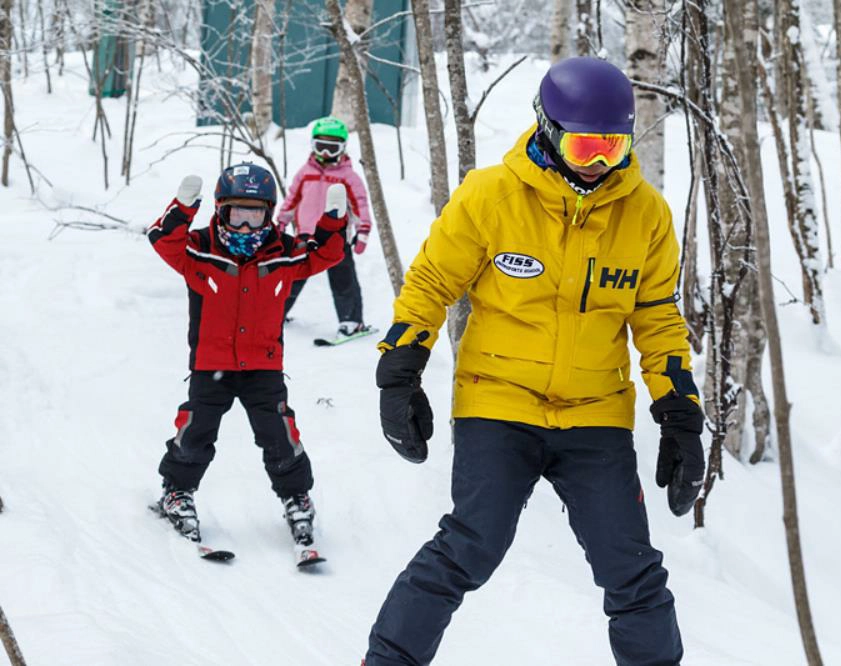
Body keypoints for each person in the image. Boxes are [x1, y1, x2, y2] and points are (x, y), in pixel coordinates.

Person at [364, 57, 705, 666]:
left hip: (595, 414)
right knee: (469, 546)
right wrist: (400, 370)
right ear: (547, 129)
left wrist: (680, 416)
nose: (599, 164)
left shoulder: (645, 213)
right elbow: (430, 284)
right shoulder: (491, 196)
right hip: (498, 401)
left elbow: (657, 320)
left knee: (632, 571)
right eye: (585, 146)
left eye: (613, 147)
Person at [147, 162, 349, 547]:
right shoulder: (199, 249)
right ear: (220, 210)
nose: (244, 226)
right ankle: (177, 491)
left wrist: (333, 220)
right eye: (236, 214)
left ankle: (297, 498)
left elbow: (325, 254)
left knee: (279, 435)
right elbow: (162, 240)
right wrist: (182, 208)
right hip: (211, 365)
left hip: (263, 367)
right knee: (195, 432)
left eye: (254, 215)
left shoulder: (283, 253)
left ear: (268, 213)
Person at [277, 116, 374, 342]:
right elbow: (291, 199)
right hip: (304, 236)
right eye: (322, 146)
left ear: (342, 148)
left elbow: (360, 204)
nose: (327, 153)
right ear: (313, 145)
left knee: (343, 279)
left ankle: (351, 321)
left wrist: (363, 231)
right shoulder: (304, 172)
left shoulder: (349, 177)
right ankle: (275, 312)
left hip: (335, 239)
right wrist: (281, 221)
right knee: (292, 277)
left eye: (333, 148)